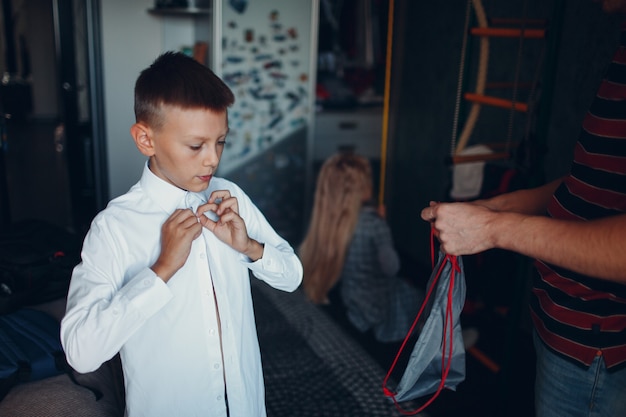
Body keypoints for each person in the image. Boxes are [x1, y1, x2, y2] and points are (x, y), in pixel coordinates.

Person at [60, 51, 303, 417]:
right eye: (196, 146)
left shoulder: (230, 198)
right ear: (146, 139)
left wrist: (250, 247)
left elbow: (292, 277)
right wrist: (161, 271)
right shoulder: (114, 228)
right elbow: (80, 351)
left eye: (220, 141)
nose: (212, 159)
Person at [421, 2, 626, 416]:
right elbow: (590, 186)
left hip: (600, 350)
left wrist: (492, 229)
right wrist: (487, 208)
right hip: (561, 324)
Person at [300, 152, 422, 343]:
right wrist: (383, 225)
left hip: (351, 305)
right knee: (422, 299)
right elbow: (392, 268)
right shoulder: (374, 224)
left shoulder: (328, 223)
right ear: (363, 188)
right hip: (379, 305)